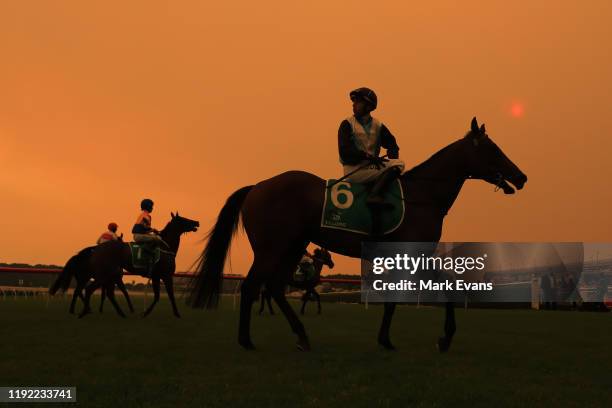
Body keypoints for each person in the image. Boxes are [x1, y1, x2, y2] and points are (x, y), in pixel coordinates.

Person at [338, 87, 405, 207]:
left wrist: (392, 154)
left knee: (396, 161)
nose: (354, 105)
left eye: (358, 102)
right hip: (353, 170)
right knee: (399, 164)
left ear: (368, 107)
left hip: (371, 168)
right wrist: (367, 157)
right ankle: (374, 195)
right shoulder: (347, 124)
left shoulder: (378, 126)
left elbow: (392, 144)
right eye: (354, 102)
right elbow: (345, 151)